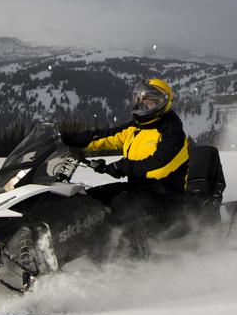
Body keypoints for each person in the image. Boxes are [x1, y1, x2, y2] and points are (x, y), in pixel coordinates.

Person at [60, 78, 190, 233]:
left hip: (165, 201)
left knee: (116, 214)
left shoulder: (173, 135)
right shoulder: (138, 128)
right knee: (89, 200)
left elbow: (159, 167)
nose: (142, 106)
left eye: (149, 102)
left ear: (163, 103)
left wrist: (121, 166)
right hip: (136, 190)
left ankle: (128, 255)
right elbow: (105, 137)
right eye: (140, 101)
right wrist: (66, 138)